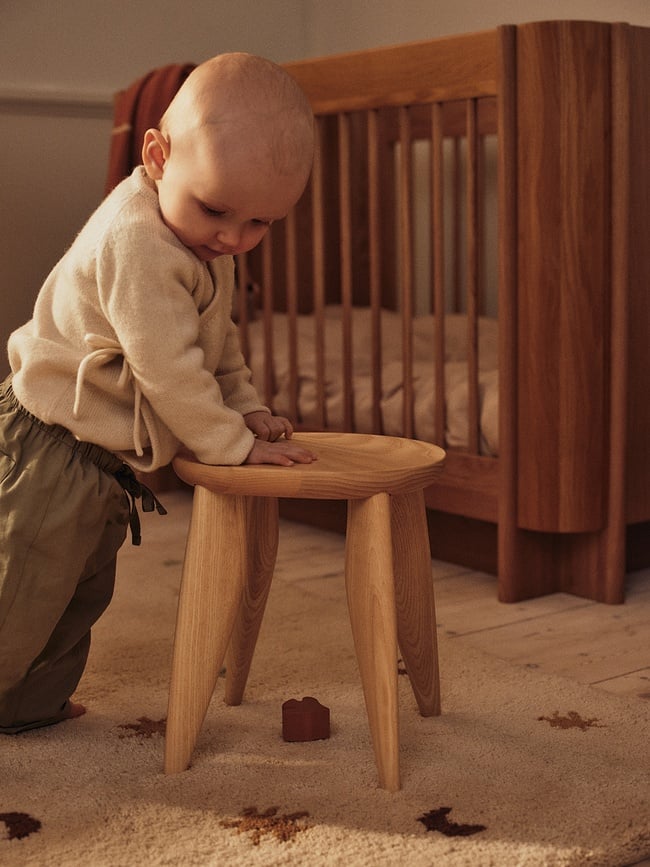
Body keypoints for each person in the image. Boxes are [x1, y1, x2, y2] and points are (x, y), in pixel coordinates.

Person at [0, 52, 316, 734]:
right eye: (217, 210)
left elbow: (216, 343)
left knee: (79, 590)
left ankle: (26, 703)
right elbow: (168, 366)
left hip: (99, 459)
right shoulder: (139, 240)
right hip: (52, 443)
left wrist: (247, 409)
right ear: (158, 156)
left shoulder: (205, 244)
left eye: (261, 223)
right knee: (22, 590)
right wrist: (230, 445)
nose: (233, 236)